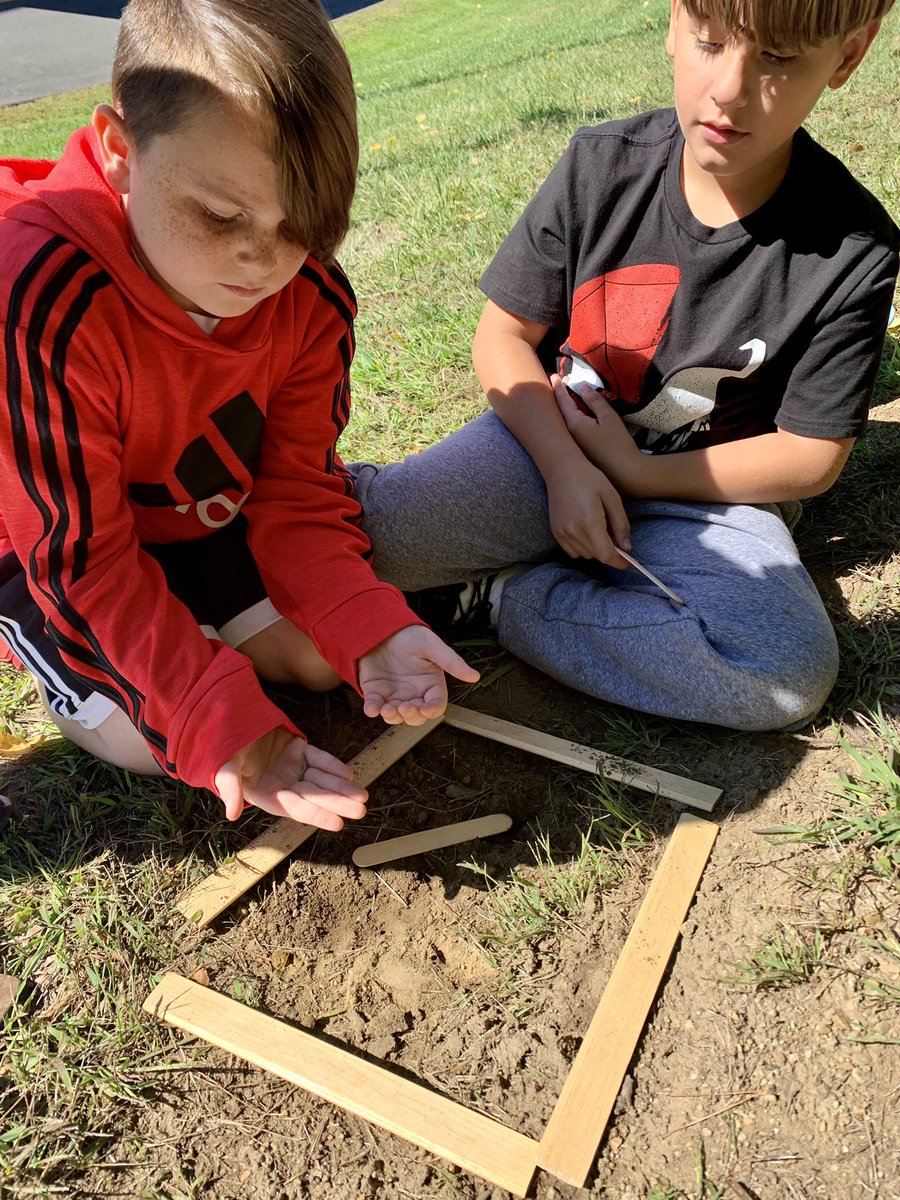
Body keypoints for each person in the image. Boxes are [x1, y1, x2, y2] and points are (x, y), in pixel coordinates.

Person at [354, 0, 900, 733]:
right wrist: (568, 471)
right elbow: (503, 338)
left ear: (849, 55)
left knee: (780, 672)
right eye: (710, 43)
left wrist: (636, 474)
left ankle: (496, 595)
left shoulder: (856, 250)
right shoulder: (601, 165)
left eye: (776, 60)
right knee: (359, 539)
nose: (730, 89)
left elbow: (809, 458)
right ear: (675, 24)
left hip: (705, 499)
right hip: (545, 446)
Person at [0, 0, 478, 832]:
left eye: (304, 222)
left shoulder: (310, 295)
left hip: (188, 520)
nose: (265, 259)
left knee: (324, 663)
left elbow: (294, 494)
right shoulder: (37, 301)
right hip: (50, 546)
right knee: (149, 744)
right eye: (221, 217)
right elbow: (85, 563)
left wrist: (366, 625)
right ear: (121, 151)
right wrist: (218, 722)